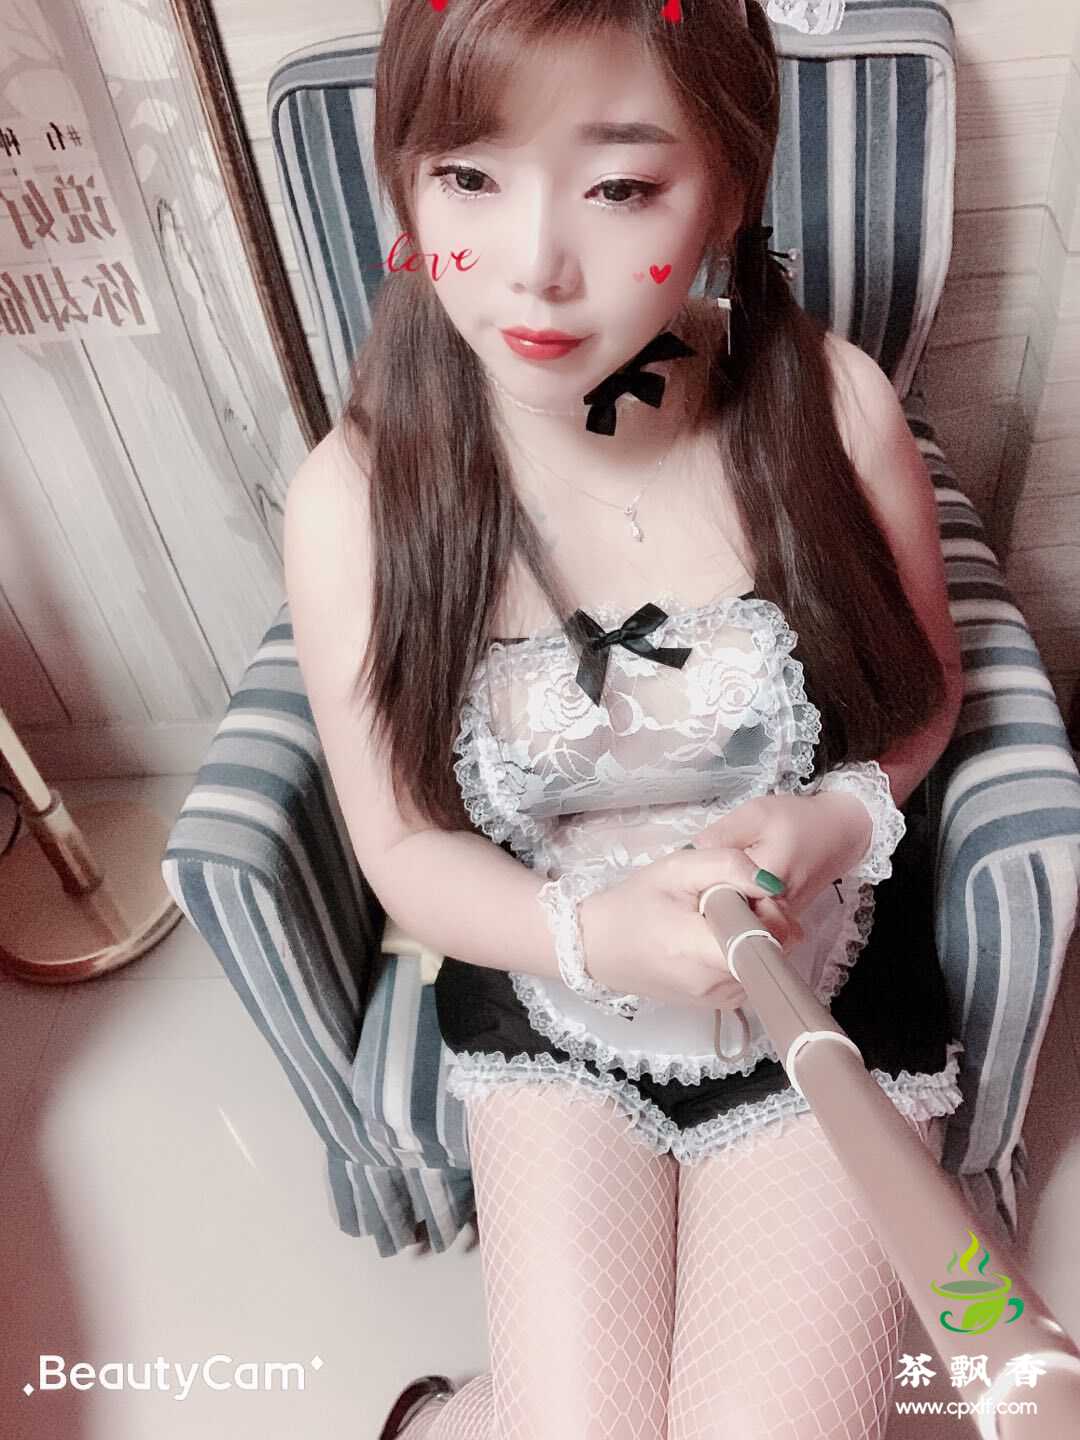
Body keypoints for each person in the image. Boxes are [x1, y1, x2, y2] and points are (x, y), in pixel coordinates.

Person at [283, 1, 969, 1435]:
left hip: (824, 973)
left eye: (619, 186)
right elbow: (401, 849)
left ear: (727, 187)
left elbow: (924, 696)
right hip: (544, 970)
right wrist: (594, 935)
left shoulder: (830, 408)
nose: (534, 264)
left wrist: (839, 819)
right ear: (406, 180)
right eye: (470, 175)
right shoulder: (360, 495)